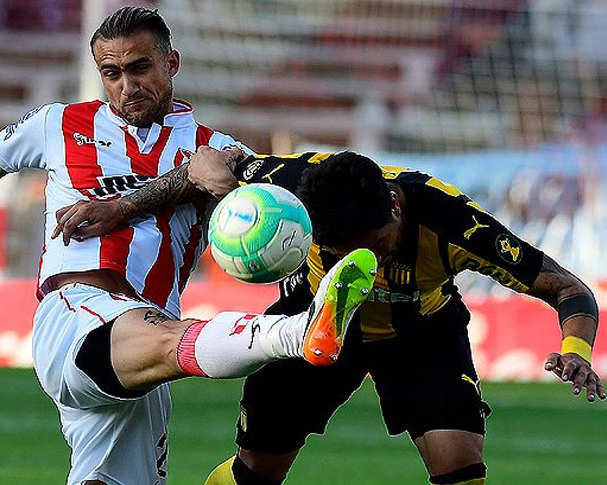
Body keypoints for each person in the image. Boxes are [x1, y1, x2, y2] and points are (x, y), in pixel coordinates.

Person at [0, 8, 379, 485]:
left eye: (140, 68)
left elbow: (248, 195)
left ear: (171, 62)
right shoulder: (59, 125)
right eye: (112, 74)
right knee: (163, 336)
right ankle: (298, 334)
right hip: (76, 315)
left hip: (144, 349)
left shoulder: (218, 149)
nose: (127, 86)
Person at [53, 149, 604, 485]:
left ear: (394, 206)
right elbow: (209, 161)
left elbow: (566, 288)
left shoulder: (455, 222)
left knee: (459, 465)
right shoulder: (291, 182)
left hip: (421, 335)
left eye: (377, 248)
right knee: (259, 472)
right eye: (339, 254)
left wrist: (576, 351)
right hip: (312, 321)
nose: (371, 262)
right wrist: (218, 185)